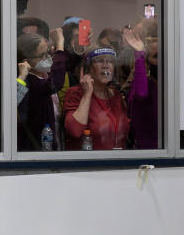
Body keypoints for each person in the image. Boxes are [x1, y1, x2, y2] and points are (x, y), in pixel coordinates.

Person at [62, 47, 130, 150]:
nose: (106, 66)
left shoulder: (116, 96)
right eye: (100, 61)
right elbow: (75, 131)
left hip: (117, 161)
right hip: (89, 163)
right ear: (88, 68)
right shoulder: (76, 93)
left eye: (110, 62)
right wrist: (87, 94)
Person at [16, 30, 67, 151]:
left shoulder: (44, 76)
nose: (48, 57)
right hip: (35, 151)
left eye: (49, 53)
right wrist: (60, 44)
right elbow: (55, 83)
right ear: (26, 61)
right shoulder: (29, 82)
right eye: (42, 55)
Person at [124, 20, 159, 149]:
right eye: (156, 56)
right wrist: (139, 55)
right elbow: (141, 93)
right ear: (148, 61)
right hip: (146, 153)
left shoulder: (168, 87)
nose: (162, 60)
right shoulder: (144, 84)